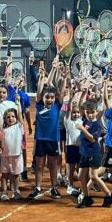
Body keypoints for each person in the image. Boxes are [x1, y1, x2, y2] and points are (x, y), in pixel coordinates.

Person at [28, 60, 67, 201]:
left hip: (53, 139)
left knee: (52, 165)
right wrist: (41, 77)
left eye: (51, 97)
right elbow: (39, 91)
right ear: (42, 98)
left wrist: (64, 78)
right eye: (47, 97)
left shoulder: (57, 105)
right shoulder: (39, 104)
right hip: (40, 139)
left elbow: (61, 92)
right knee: (39, 165)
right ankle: (38, 188)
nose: (49, 100)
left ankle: (54, 188)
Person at [76, 99, 112, 208]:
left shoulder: (97, 125)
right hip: (84, 153)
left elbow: (93, 139)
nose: (90, 115)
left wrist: (82, 129)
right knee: (80, 176)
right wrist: (82, 93)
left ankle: (109, 195)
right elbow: (79, 106)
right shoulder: (85, 120)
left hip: (93, 153)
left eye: (92, 112)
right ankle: (86, 198)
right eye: (87, 112)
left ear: (96, 112)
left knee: (93, 176)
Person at [0, 106, 25, 200]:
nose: (11, 119)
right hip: (5, 156)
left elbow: (20, 114)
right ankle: (4, 192)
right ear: (5, 119)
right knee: (4, 174)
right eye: (8, 117)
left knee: (16, 174)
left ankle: (16, 191)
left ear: (16, 118)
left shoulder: (19, 127)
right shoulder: (3, 130)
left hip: (17, 155)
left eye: (13, 116)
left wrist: (18, 103)